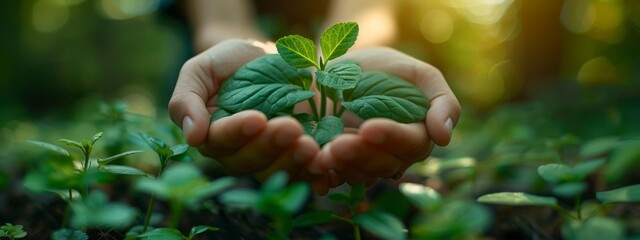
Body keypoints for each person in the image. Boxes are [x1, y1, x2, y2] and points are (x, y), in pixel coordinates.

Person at [168, 0, 461, 195]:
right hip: (227, 75)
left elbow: (367, 14)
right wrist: (245, 51)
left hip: (328, 76)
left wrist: (347, 64)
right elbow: (221, 20)